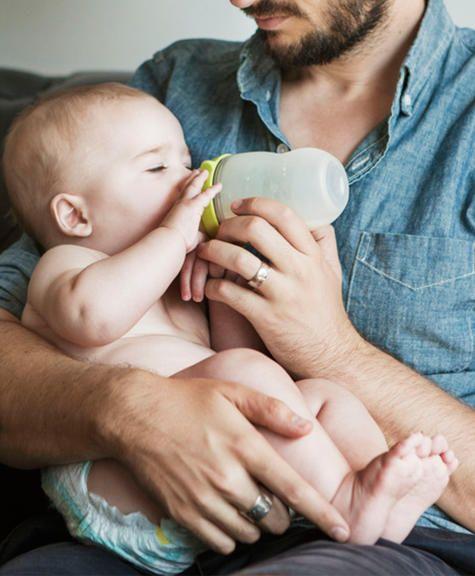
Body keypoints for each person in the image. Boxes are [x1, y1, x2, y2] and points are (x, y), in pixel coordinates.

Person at [0, 0, 473, 574]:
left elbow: (239, 354)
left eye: (184, 162)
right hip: (137, 497)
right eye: (160, 169)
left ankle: (363, 494)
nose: (240, 0)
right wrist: (128, 408)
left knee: (326, 401)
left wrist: (330, 349)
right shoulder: (173, 86)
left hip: (375, 541)